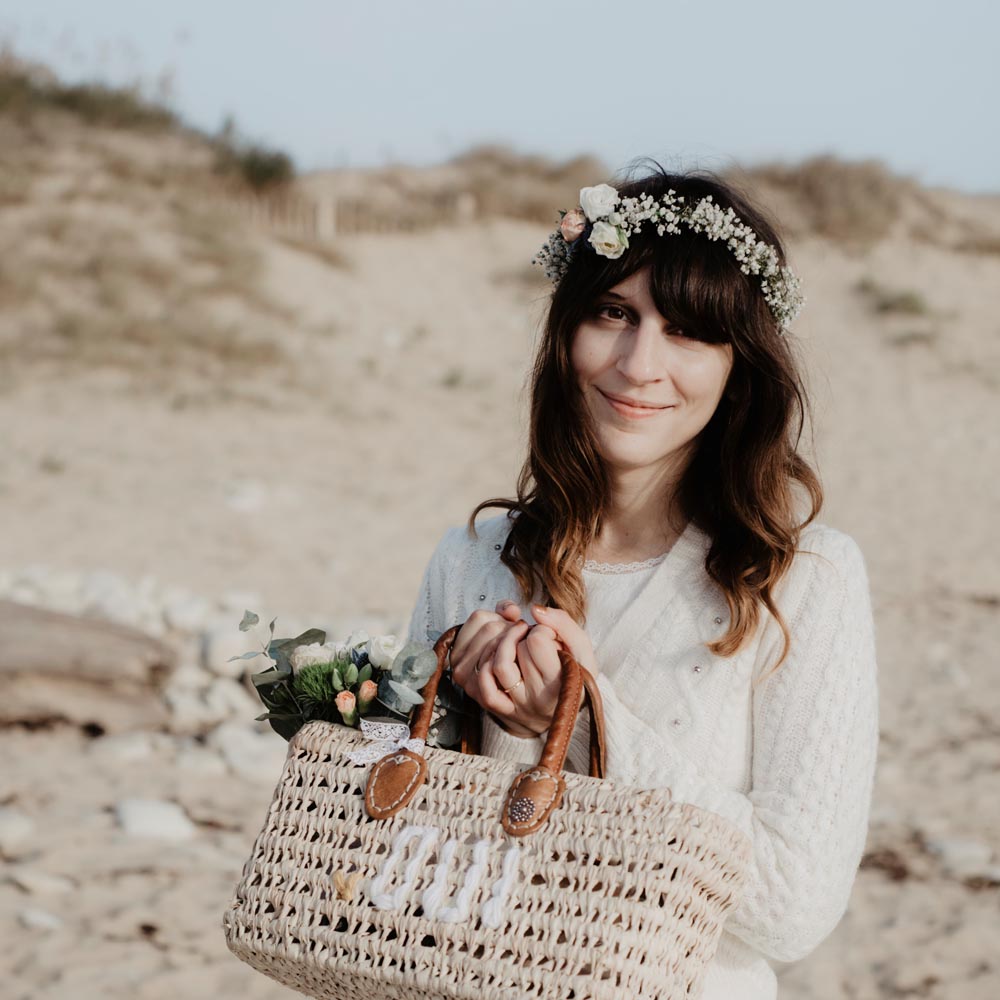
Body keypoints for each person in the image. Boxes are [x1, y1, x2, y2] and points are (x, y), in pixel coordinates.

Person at [404, 163, 879, 1000]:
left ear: (740, 363)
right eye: (612, 313)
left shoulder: (808, 580)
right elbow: (401, 835)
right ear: (566, 331)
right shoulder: (472, 559)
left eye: (688, 332)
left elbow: (795, 910)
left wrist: (590, 726)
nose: (638, 364)